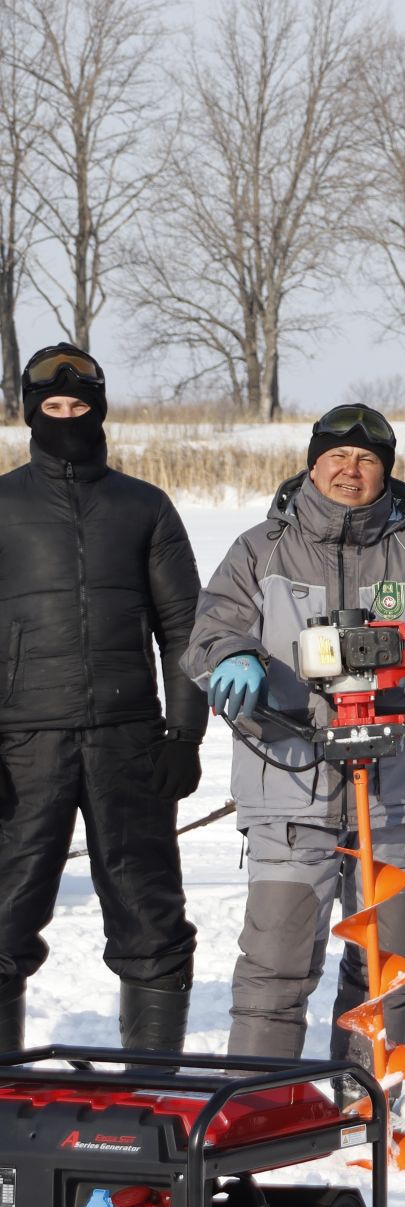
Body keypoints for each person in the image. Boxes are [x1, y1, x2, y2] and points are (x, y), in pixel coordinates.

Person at [186, 405, 405, 1074]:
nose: (349, 470)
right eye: (336, 456)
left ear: (385, 471)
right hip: (291, 784)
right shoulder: (259, 550)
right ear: (312, 463)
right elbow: (210, 631)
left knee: (383, 966)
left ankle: (365, 1097)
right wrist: (232, 657)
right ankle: (258, 1099)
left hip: (400, 792)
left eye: (366, 459)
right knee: (275, 964)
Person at [0, 343, 205, 1056]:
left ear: (99, 409)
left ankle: (151, 1086)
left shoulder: (143, 506)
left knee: (150, 914)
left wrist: (184, 733)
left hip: (128, 741)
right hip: (23, 745)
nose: (65, 419)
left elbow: (185, 628)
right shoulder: (1, 505)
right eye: (51, 408)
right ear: (30, 414)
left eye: (77, 407)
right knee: (4, 916)